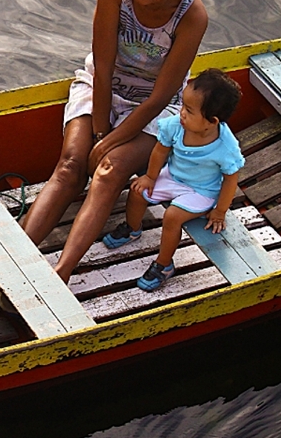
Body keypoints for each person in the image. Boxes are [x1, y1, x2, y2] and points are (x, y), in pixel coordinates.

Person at [21, 0, 208, 283]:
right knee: (70, 167)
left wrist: (108, 144)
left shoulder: (192, 16)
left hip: (156, 106)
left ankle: (61, 272)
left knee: (108, 172)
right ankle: (15, 260)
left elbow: (159, 98)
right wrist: (101, 128)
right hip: (102, 87)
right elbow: (103, 65)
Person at [102, 68, 244, 291]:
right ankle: (132, 228)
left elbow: (230, 179)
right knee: (138, 190)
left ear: (211, 121)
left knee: (172, 216)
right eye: (182, 106)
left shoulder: (225, 146)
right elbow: (160, 151)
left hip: (201, 190)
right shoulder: (176, 125)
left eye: (189, 110)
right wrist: (150, 177)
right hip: (173, 175)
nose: (181, 113)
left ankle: (164, 264)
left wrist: (220, 211)